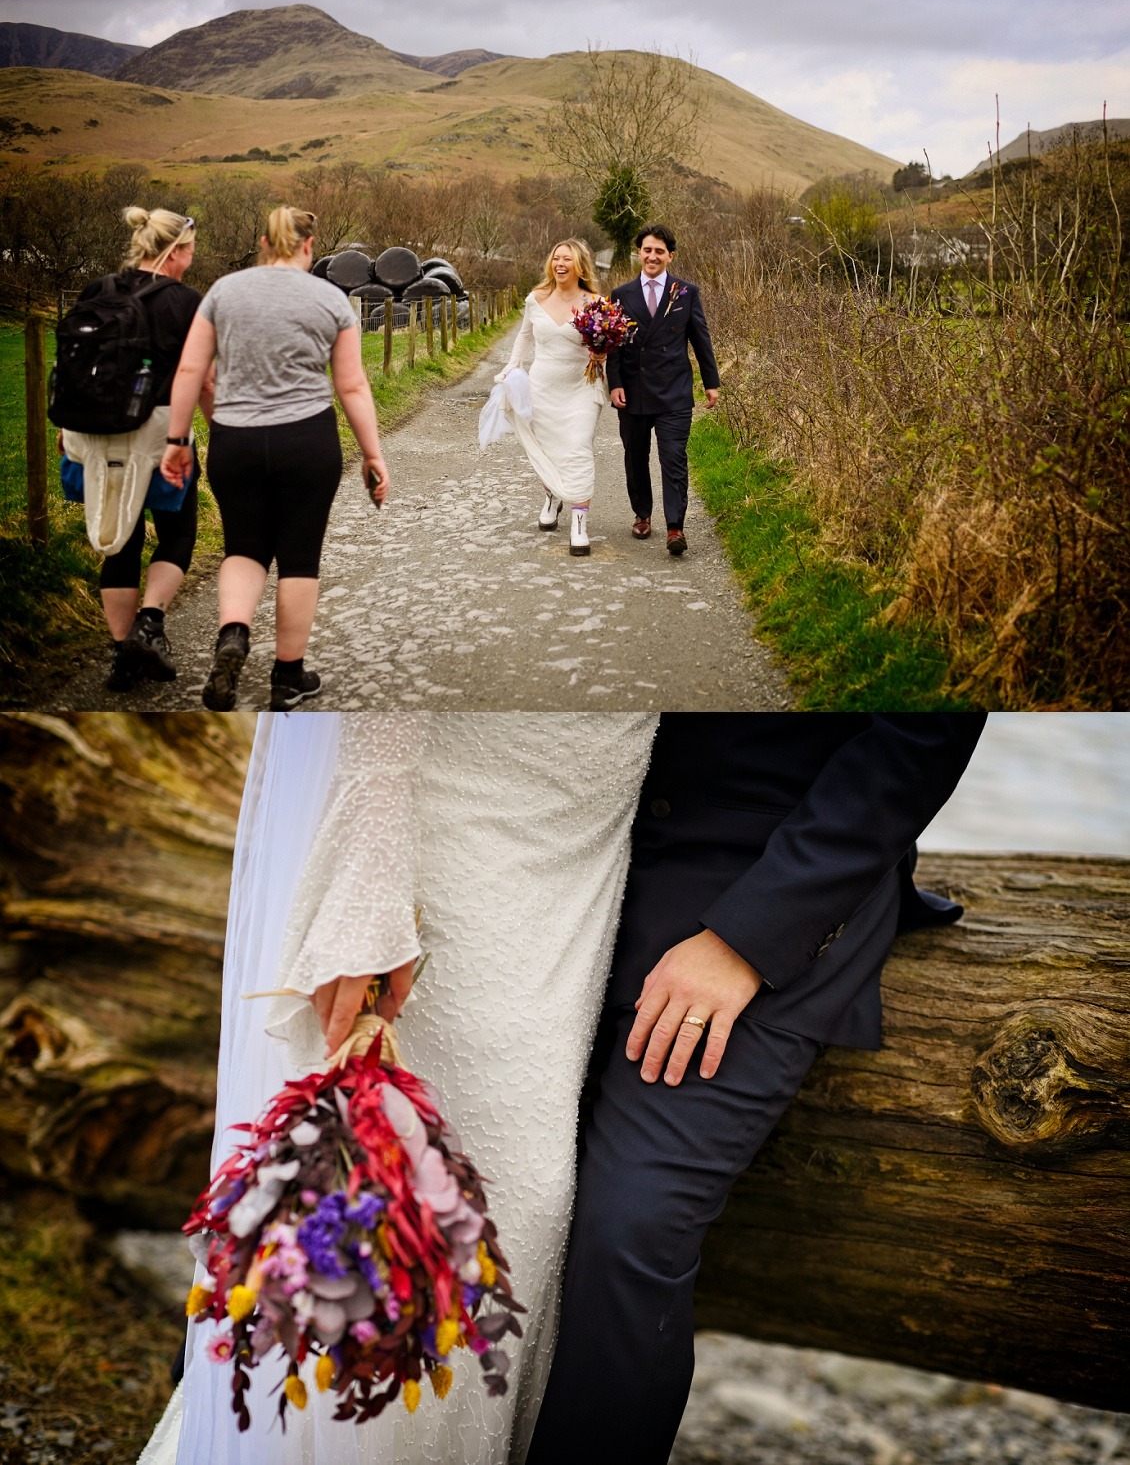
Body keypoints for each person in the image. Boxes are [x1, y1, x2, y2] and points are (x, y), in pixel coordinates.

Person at [137, 711, 659, 1465]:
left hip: (576, 855)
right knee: (372, 1203)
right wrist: (369, 879)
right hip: (452, 825)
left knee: (528, 1211)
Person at [526, 711, 987, 1465]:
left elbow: (926, 732)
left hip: (757, 879)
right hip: (552, 871)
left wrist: (750, 936)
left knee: (629, 1226)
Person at [159, 207, 390, 712]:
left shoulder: (223, 291)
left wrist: (178, 440)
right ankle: (287, 677)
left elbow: (191, 369)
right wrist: (373, 454)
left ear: (263, 242)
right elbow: (351, 384)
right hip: (306, 440)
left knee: (244, 547)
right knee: (299, 556)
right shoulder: (330, 298)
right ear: (309, 247)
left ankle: (234, 634)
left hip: (234, 441)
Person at [64, 207, 208, 691]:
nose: (191, 260)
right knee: (178, 530)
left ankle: (122, 653)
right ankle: (149, 625)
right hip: (159, 431)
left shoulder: (96, 291)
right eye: (190, 251)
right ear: (176, 251)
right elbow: (201, 377)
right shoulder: (186, 302)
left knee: (119, 540)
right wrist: (219, 430)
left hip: (92, 433)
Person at [606, 223, 721, 555]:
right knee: (636, 458)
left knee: (673, 458)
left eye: (659, 251)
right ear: (639, 253)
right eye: (647, 250)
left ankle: (675, 527)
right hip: (633, 391)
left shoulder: (687, 292)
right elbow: (614, 344)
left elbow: (701, 339)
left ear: (670, 256)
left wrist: (711, 382)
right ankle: (642, 515)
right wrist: (615, 384)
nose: (652, 256)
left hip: (674, 391)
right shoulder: (621, 294)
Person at [495, 240, 606, 558]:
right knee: (550, 449)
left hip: (581, 389)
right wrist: (512, 367)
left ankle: (579, 524)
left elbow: (605, 343)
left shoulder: (595, 302)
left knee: (578, 447)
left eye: (566, 259)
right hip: (542, 388)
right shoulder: (536, 298)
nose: (559, 263)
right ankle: (551, 497)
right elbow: (525, 335)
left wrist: (602, 354)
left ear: (580, 266)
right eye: (556, 258)